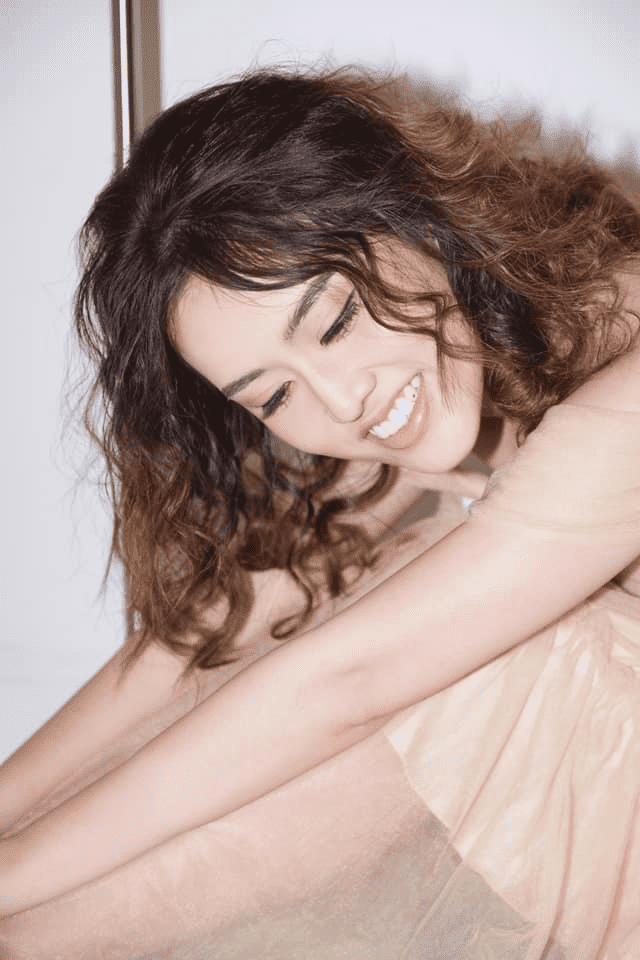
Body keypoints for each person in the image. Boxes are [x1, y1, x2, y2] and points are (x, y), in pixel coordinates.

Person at [1, 67, 640, 958]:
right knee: (345, 608)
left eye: (335, 323)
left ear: (415, 217)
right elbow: (229, 618)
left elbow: (350, 680)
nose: (342, 403)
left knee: (501, 647)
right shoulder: (472, 338)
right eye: (273, 395)